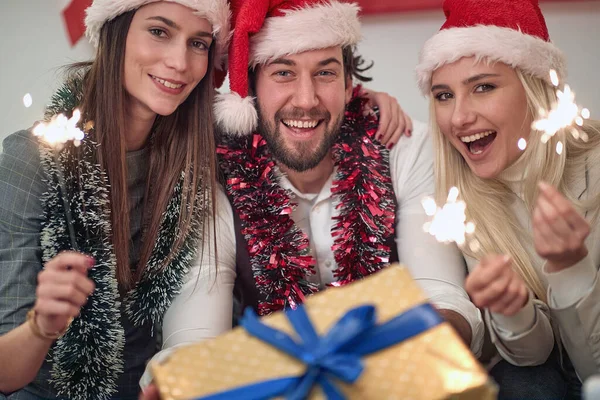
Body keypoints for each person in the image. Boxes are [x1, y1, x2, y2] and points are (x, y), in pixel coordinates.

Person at [140, 0, 485, 392]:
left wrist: (425, 346)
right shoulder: (214, 170)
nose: (306, 99)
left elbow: (439, 290)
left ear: (348, 83)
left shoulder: (403, 145)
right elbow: (198, 320)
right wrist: (181, 381)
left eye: (325, 73)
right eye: (283, 72)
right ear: (250, 86)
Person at [0, 0, 231, 399]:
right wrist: (42, 326)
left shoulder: (198, 159)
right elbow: (5, 376)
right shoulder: (31, 160)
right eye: (159, 31)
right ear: (114, 33)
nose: (179, 61)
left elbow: (295, 121)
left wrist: (363, 101)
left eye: (198, 43)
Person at [416, 0, 600, 397]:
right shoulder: (462, 195)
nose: (459, 118)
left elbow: (594, 374)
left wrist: (572, 268)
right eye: (443, 95)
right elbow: (532, 358)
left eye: (483, 87)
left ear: (533, 88)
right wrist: (510, 311)